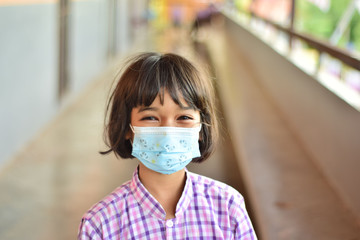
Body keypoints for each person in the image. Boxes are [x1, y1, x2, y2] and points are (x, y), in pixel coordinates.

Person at [78, 52, 257, 239]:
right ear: (126, 127)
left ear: (201, 128)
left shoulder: (228, 208)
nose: (167, 131)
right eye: (150, 118)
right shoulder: (99, 225)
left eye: (184, 117)